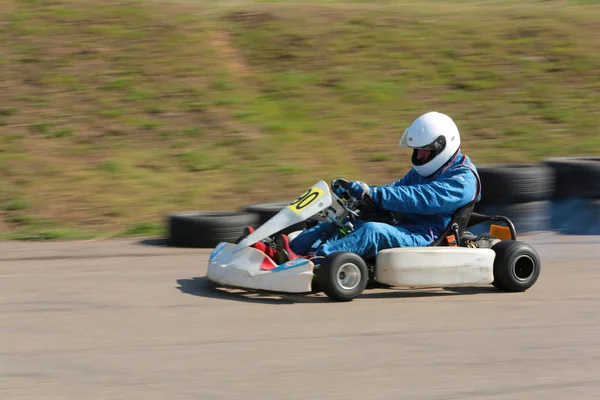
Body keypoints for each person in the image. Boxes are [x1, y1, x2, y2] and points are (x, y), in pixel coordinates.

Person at [242, 111, 482, 265]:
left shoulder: (462, 179)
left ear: (443, 147)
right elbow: (397, 189)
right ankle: (280, 252)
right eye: (417, 150)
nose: (419, 156)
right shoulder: (424, 171)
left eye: (425, 151)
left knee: (372, 232)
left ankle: (311, 261)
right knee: (340, 223)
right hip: (404, 228)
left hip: (425, 238)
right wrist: (365, 194)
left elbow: (421, 199)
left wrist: (376, 194)